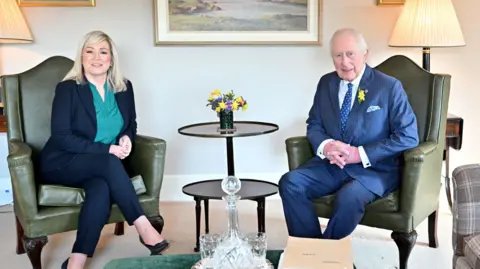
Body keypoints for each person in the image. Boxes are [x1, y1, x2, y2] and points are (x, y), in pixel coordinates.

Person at [38, 30, 170, 269]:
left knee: (100, 188)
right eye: (89, 51)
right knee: (110, 162)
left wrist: (126, 138)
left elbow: (130, 124)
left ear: (111, 58)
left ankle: (77, 259)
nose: (96, 57)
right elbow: (61, 137)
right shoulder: (68, 88)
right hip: (63, 161)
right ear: (82, 56)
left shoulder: (124, 87)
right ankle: (142, 224)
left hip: (99, 165)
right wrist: (107, 149)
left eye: (103, 51)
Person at [278, 28, 419, 240]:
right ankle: (309, 250)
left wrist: (359, 154)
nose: (344, 62)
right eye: (338, 55)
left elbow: (408, 136)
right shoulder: (326, 83)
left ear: (365, 54)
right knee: (290, 182)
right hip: (332, 165)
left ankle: (324, 255)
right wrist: (326, 146)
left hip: (375, 170)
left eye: (350, 54)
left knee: (349, 198)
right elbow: (314, 124)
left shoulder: (389, 87)